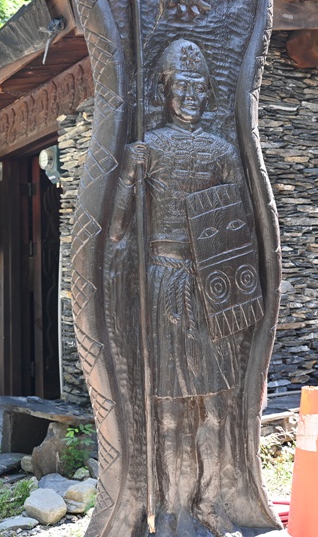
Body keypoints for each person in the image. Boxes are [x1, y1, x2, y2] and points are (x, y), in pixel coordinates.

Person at [109, 38, 263, 535]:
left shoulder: (222, 152)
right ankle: (172, 507)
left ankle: (211, 502)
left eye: (199, 87)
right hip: (166, 280)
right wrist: (130, 175)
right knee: (171, 412)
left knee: (216, 407)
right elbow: (118, 230)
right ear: (166, 90)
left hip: (214, 287)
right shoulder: (149, 148)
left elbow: (240, 225)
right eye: (182, 87)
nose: (191, 96)